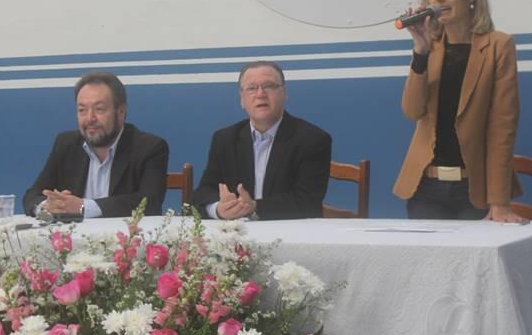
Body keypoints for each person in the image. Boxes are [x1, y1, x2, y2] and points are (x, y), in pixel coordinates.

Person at [393, 0, 527, 223]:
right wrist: (420, 53)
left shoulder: (498, 46)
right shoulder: (429, 45)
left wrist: (499, 202)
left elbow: (502, 128)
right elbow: (412, 111)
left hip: (474, 190)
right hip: (426, 189)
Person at [191, 61, 331, 220]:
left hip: (289, 231)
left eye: (269, 86)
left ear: (284, 93)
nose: (260, 94)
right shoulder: (225, 139)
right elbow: (202, 194)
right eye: (251, 88)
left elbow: (307, 202)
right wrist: (218, 209)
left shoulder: (312, 139)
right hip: (238, 231)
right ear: (242, 99)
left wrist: (254, 207)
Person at [23, 72, 169, 218]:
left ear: (121, 112)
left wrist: (83, 207)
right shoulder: (66, 144)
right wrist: (47, 206)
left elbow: (150, 203)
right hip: (73, 232)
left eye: (99, 109)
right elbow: (32, 196)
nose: (90, 118)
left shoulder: (149, 148)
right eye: (82, 110)